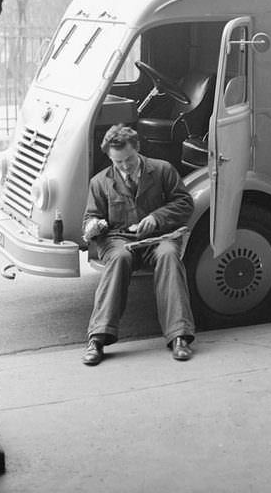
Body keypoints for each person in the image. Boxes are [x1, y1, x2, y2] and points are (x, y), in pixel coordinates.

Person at [80, 124, 196, 366]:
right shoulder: (99, 182)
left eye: (129, 160)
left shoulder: (163, 170)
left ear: (138, 149)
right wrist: (93, 226)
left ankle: (179, 337)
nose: (124, 166)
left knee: (168, 256)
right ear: (110, 158)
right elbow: (90, 217)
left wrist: (156, 218)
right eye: (117, 162)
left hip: (159, 237)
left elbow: (185, 203)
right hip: (118, 240)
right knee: (120, 258)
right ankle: (97, 338)